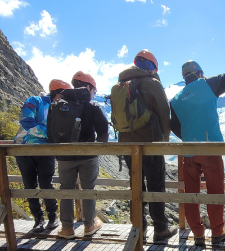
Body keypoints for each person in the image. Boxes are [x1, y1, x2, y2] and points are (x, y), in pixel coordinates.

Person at [170, 61, 225, 247]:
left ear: (184, 77)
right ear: (199, 73)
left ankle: (198, 234)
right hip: (210, 149)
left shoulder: (176, 99)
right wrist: (209, 80)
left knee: (190, 193)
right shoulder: (208, 85)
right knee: (215, 191)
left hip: (189, 152)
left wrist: (188, 136)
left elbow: (174, 125)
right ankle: (217, 232)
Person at [114, 49, 177, 241]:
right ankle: (160, 229)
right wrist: (164, 142)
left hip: (127, 145)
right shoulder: (152, 83)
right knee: (156, 186)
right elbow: (164, 114)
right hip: (150, 144)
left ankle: (138, 230)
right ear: (151, 67)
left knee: (136, 187)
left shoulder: (121, 84)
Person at [55, 71, 109, 239]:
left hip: (64, 155)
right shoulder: (92, 106)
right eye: (94, 90)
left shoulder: (57, 104)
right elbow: (103, 131)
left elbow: (51, 130)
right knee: (88, 189)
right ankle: (89, 225)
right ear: (87, 87)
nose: (94, 94)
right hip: (88, 155)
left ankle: (66, 228)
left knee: (66, 189)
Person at [14, 79, 71, 232]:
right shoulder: (35, 101)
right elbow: (26, 120)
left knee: (46, 183)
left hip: (46, 151)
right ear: (58, 93)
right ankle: (38, 218)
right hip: (24, 148)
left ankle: (52, 216)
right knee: (29, 185)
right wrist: (49, 134)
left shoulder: (63, 109)